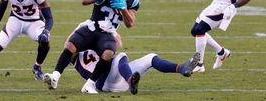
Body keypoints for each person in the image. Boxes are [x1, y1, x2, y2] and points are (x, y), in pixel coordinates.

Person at [44, 0, 142, 94]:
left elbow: (130, 24)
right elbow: (85, 1)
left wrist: (123, 9)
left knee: (108, 53)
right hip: (92, 27)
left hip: (108, 33)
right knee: (71, 45)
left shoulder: (132, 2)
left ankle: (90, 85)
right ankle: (55, 77)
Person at [44, 49, 200, 94]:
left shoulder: (86, 44)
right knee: (120, 57)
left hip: (115, 78)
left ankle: (182, 68)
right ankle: (131, 79)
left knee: (151, 58)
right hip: (104, 81)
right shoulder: (78, 56)